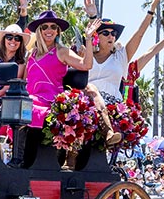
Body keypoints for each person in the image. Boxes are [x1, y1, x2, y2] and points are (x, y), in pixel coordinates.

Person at [23, 9, 105, 150]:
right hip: (29, 98)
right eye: (45, 27)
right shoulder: (31, 53)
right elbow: (25, 80)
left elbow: (87, 65)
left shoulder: (62, 51)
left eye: (53, 27)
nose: (49, 30)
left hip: (49, 101)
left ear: (58, 31)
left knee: (27, 107)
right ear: (39, 31)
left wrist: (89, 38)